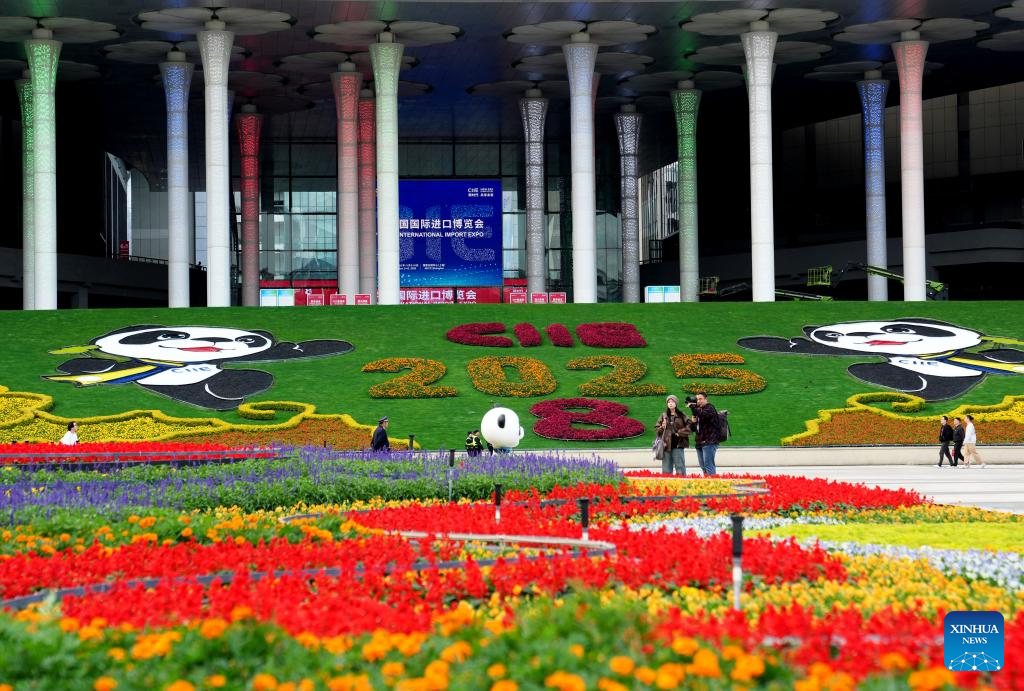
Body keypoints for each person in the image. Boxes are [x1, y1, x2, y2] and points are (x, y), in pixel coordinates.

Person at [654, 394, 690, 475]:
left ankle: (682, 481)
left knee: (680, 467)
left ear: (676, 403)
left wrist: (680, 433)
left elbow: (690, 426)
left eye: (672, 401)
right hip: (666, 445)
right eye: (669, 402)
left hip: (678, 444)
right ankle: (668, 482)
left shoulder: (681, 415)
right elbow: (657, 429)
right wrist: (662, 427)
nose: (670, 403)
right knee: (666, 469)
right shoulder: (664, 415)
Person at [689, 392, 721, 476]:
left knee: (708, 465)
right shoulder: (698, 410)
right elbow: (692, 429)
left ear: (706, 399)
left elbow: (703, 415)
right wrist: (693, 422)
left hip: (709, 441)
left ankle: (713, 482)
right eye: (697, 399)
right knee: (703, 466)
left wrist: (692, 406)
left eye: (700, 399)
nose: (698, 401)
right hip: (699, 442)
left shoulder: (710, 408)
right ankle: (707, 482)